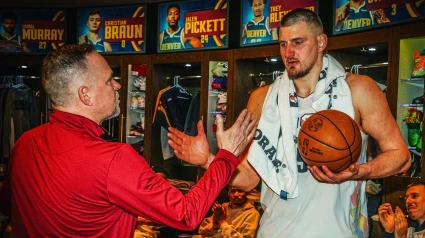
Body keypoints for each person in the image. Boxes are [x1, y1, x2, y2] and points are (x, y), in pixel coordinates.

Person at [168, 8, 411, 237]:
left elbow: (401, 156)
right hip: (273, 231)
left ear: (321, 42)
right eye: (283, 44)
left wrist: (358, 172)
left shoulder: (357, 90)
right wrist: (208, 160)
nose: (288, 53)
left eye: (298, 42)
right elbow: (251, 177)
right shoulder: (261, 99)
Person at [0, 44, 258, 237]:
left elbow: (11, 208)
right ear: (85, 95)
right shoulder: (112, 159)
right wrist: (227, 155)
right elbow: (187, 215)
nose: (118, 86)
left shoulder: (25, 143)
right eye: (109, 80)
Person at [195, 185, 260, 238]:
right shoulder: (223, 207)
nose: (236, 194)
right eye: (232, 191)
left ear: (246, 193)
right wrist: (215, 225)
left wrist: (223, 222)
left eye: (240, 191)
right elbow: (202, 231)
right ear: (228, 193)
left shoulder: (252, 214)